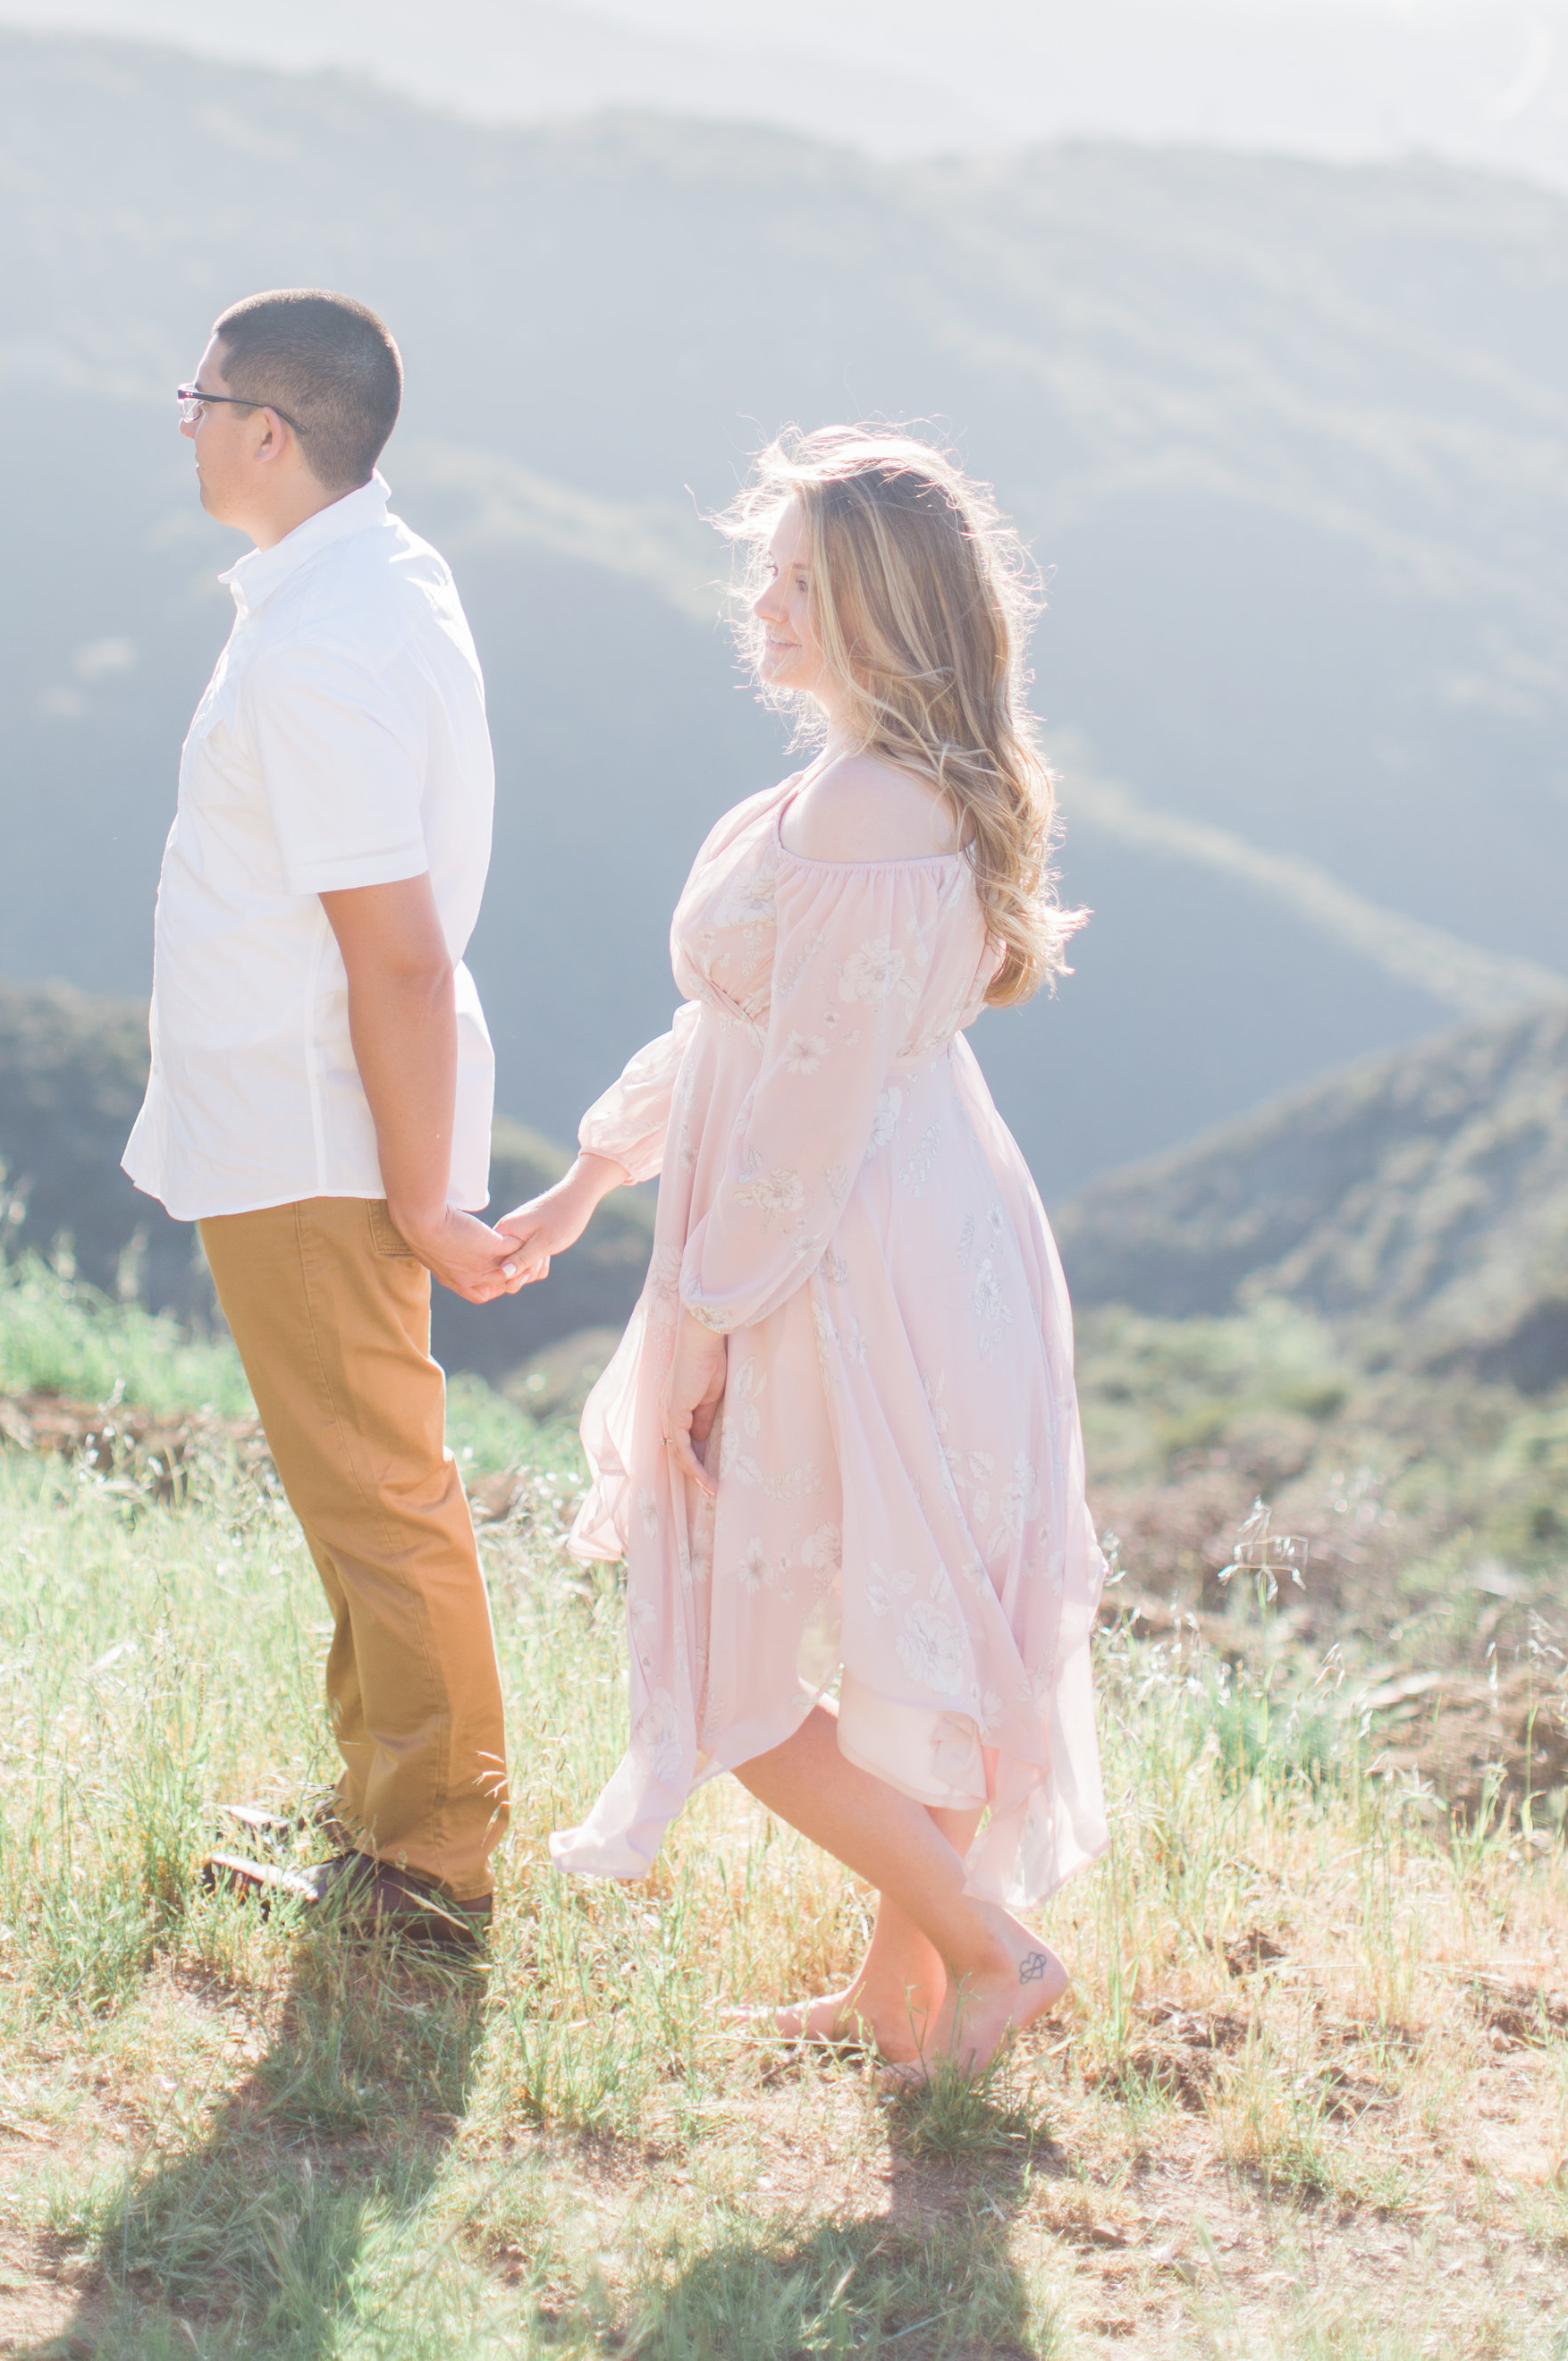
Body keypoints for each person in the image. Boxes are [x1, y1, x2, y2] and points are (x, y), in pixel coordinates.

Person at [496, 427, 1107, 2071]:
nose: (759, 604)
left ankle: (987, 1953)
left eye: (799, 582)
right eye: (764, 572)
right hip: (912, 1218)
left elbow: (802, 1112)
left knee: (739, 1676)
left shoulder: (859, 807)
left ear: (880, 610)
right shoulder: (876, 790)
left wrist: (699, 1321)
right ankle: (896, 1990)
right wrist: (591, 1175)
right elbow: (739, 1037)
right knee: (911, 1624)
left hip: (836, 1252)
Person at [122, 288, 518, 1959]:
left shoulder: (326, 640)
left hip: (314, 1127)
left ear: (266, 430)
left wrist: (420, 1193)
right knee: (353, 1482)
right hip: (302, 1114)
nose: (188, 423)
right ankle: (382, 1802)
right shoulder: (354, 583)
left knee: (377, 1485)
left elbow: (402, 954)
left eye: (196, 399)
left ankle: (430, 1860)